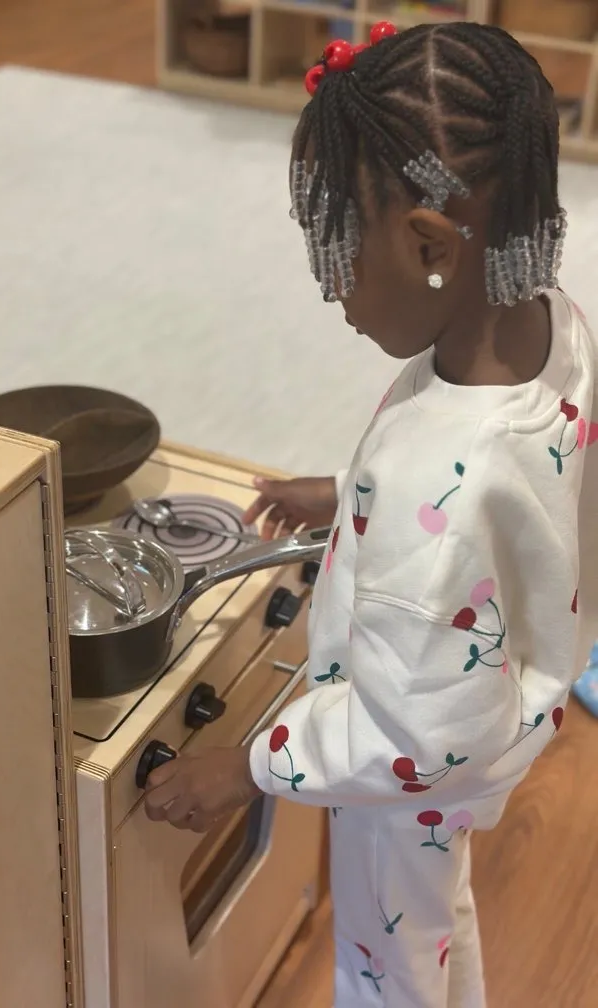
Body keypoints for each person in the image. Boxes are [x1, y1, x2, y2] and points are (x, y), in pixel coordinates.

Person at [144, 19, 598, 1008]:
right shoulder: (551, 323)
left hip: (415, 769)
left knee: (384, 964)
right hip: (501, 702)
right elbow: (476, 511)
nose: (333, 291)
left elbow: (414, 736)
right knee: (435, 923)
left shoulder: (437, 479)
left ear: (434, 244)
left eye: (340, 249)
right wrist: (346, 493)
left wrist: (254, 768)